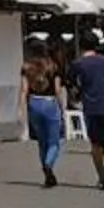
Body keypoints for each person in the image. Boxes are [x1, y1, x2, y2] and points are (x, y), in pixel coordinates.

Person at [69, 31, 104, 191]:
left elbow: (72, 83)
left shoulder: (78, 64)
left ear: (81, 46)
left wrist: (77, 95)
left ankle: (100, 176)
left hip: (90, 108)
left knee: (95, 144)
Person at [22, 35, 68, 189]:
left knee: (42, 142)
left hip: (34, 102)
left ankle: (46, 172)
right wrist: (62, 108)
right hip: (49, 104)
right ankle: (49, 164)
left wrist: (21, 109)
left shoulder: (26, 68)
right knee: (54, 140)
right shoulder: (52, 67)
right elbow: (57, 90)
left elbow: (23, 90)